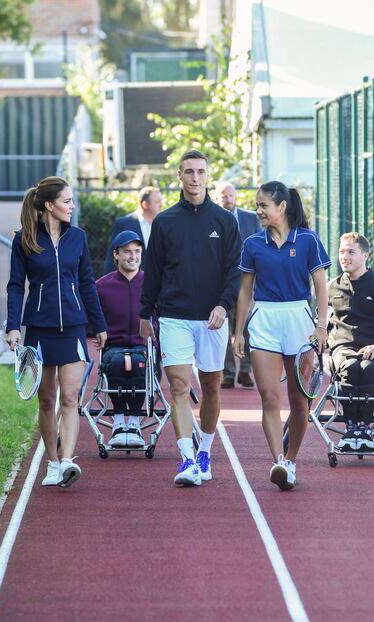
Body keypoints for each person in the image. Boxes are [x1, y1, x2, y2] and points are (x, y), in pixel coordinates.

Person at [140, 149, 242, 486]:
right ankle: (186, 459)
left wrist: (223, 305)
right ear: (180, 176)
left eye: (200, 171)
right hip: (174, 317)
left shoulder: (225, 221)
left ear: (207, 175)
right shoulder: (165, 222)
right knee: (179, 387)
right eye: (189, 172)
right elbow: (152, 272)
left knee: (212, 385)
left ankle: (205, 453)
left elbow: (234, 272)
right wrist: (144, 313)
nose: (195, 177)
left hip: (212, 317)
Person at [5, 176, 107, 488]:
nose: (72, 206)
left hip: (74, 327)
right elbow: (14, 286)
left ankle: (66, 461)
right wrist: (12, 327)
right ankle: (51, 461)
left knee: (71, 396)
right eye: (67, 201)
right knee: (47, 400)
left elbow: (87, 282)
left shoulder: (77, 237)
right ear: (50, 205)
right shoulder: (24, 239)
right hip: (38, 329)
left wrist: (99, 323)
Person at [233, 180, 331, 491]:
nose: (258, 210)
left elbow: (321, 286)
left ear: (282, 207)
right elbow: (245, 290)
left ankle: (291, 459)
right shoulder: (252, 244)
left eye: (263, 205)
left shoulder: (308, 240)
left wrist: (321, 325)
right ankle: (279, 461)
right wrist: (238, 332)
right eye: (257, 205)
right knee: (269, 398)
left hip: (299, 320)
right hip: (264, 320)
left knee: (299, 402)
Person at [96, 230, 150, 448]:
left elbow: (163, 316)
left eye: (137, 251)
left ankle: (135, 423)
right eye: (127, 252)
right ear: (116, 255)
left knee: (139, 364)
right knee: (119, 362)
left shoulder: (151, 284)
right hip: (113, 348)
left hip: (144, 348)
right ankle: (119, 421)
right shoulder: (101, 286)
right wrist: (97, 332)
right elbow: (93, 319)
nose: (133, 256)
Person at [327, 232, 374, 452]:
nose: (344, 256)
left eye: (351, 252)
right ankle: (352, 427)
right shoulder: (331, 286)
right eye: (341, 252)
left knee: (367, 367)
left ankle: (364, 428)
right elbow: (320, 323)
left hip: (371, 347)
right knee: (350, 366)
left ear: (366, 254)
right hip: (342, 347)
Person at [215, 181, 261, 388]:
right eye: (224, 196)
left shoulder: (251, 218)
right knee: (223, 328)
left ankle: (245, 371)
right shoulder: (212, 219)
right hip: (221, 283)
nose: (228, 199)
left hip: (247, 282)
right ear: (217, 198)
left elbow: (260, 247)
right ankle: (228, 372)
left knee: (247, 327)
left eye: (231, 195)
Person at [103, 186, 163, 274]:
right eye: (157, 202)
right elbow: (113, 258)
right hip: (131, 283)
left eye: (161, 201)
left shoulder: (163, 225)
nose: (161, 205)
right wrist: (109, 284)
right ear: (145, 205)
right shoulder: (124, 224)